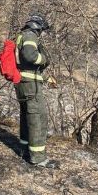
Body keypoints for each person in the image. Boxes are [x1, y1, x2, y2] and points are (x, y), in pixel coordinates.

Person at [15, 12, 58, 168]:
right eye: (42, 30)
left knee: (27, 116)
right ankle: (38, 157)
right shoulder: (30, 36)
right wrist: (44, 59)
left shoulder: (22, 36)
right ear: (37, 27)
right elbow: (30, 56)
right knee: (37, 117)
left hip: (23, 82)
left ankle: (25, 149)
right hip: (30, 84)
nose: (42, 33)